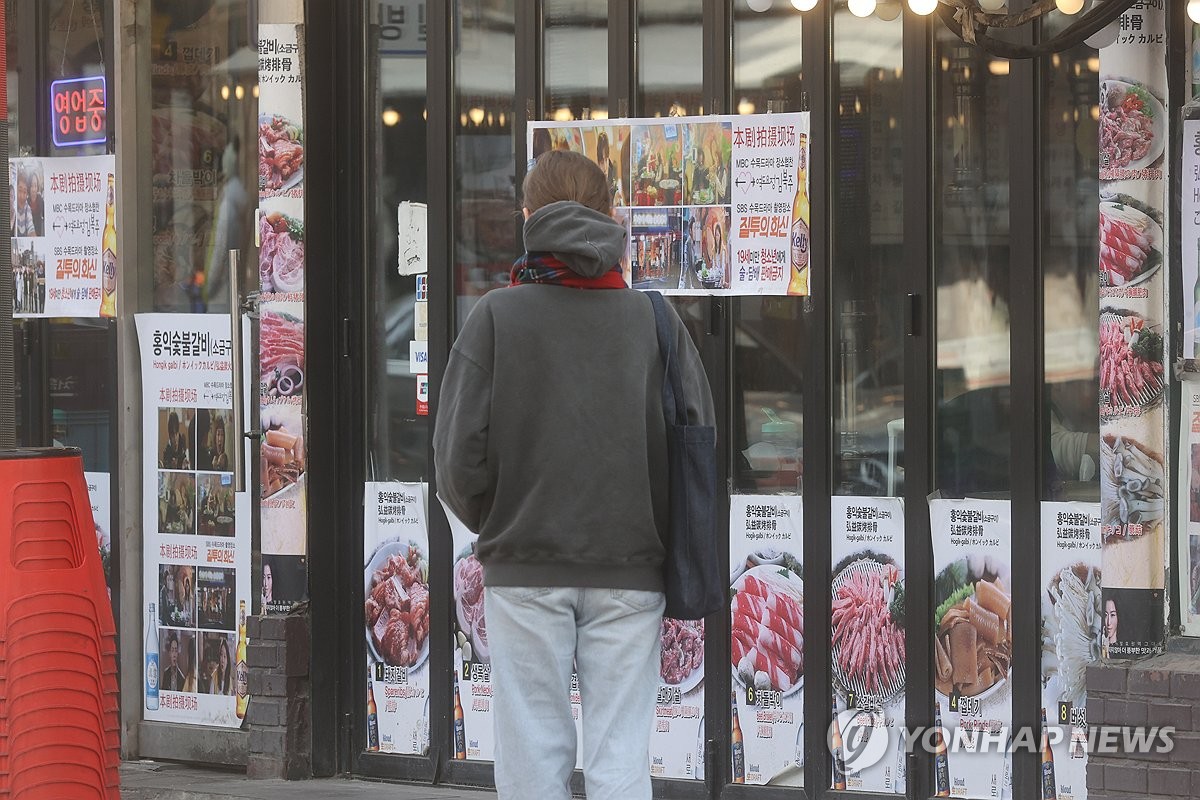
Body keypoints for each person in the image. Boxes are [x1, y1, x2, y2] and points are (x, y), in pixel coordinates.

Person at [434, 149, 714, 800]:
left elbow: (455, 462)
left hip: (524, 568)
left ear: (527, 217)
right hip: (631, 569)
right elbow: (694, 442)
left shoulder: (495, 318)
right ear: (613, 215)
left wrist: (504, 520)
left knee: (533, 758)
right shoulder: (654, 319)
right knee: (621, 760)